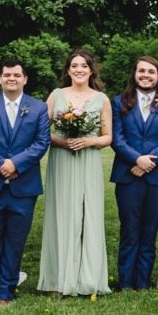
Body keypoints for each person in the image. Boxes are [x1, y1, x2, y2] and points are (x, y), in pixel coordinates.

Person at [0, 58, 51, 305]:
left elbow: (41, 142)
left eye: (16, 75)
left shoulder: (38, 108)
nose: (11, 79)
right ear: (0, 78)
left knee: (16, 240)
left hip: (24, 186)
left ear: (25, 79)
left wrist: (16, 164)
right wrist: (0, 165)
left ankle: (7, 290)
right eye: (7, 75)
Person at [38, 48, 113, 296]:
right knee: (62, 214)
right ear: (68, 70)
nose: (79, 70)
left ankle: (88, 278)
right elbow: (42, 130)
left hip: (88, 161)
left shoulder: (101, 99)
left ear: (91, 70)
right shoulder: (56, 95)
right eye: (74, 65)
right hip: (62, 160)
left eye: (84, 66)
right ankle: (59, 280)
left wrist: (88, 142)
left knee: (87, 214)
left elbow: (107, 137)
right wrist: (63, 141)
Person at [109, 56, 158, 290]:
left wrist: (149, 162)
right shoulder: (119, 102)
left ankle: (143, 280)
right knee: (129, 229)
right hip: (128, 174)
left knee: (150, 230)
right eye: (142, 71)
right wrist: (136, 159)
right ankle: (126, 281)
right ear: (135, 74)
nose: (146, 75)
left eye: (151, 72)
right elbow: (117, 138)